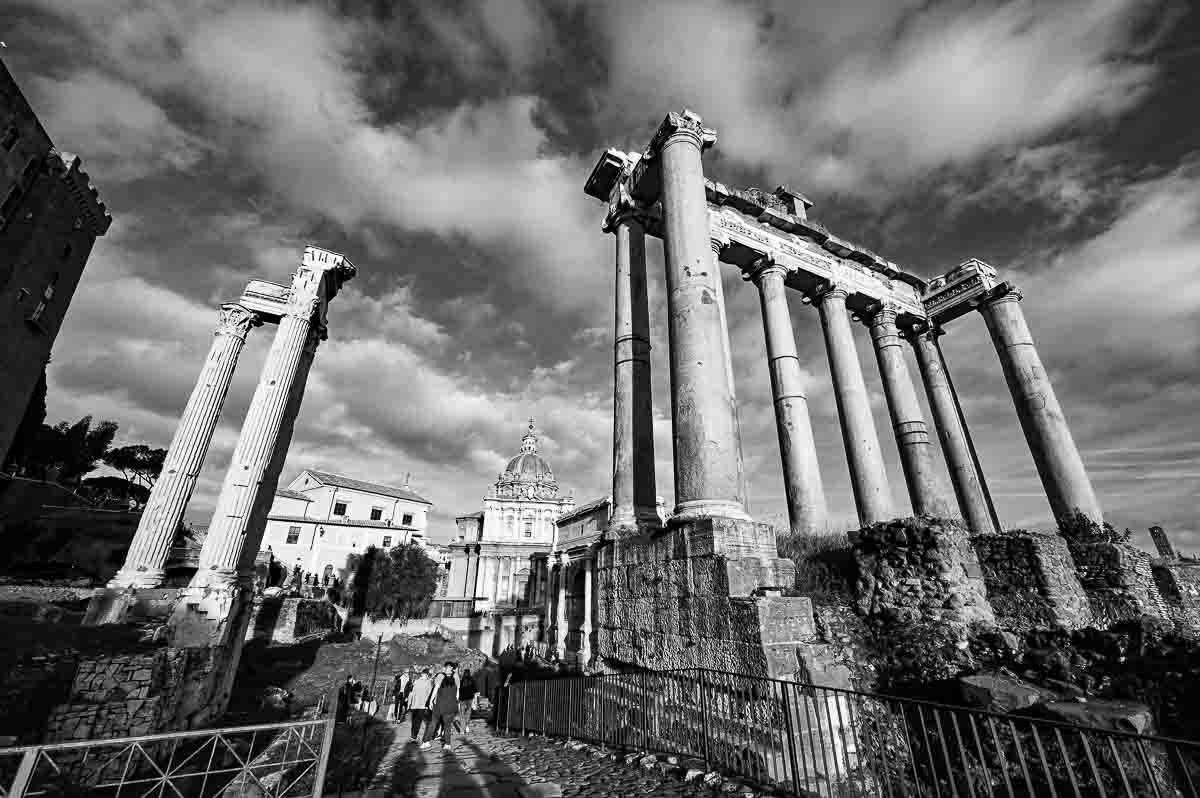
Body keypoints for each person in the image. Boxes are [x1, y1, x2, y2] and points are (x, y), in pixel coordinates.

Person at [420, 662, 460, 751]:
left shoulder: (440, 676)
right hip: (450, 705)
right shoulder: (456, 677)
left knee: (433, 723)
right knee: (447, 725)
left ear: (445, 668)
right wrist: (456, 704)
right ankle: (447, 744)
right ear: (453, 669)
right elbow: (457, 693)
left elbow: (435, 689)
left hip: (439, 705)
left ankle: (425, 742)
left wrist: (431, 700)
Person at [407, 667, 434, 742]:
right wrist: (410, 703)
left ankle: (413, 736)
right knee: (415, 721)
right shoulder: (419, 682)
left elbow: (429, 694)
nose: (425, 675)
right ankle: (413, 735)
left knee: (417, 721)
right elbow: (413, 693)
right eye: (424, 674)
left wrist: (428, 704)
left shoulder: (427, 682)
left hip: (420, 705)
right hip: (417, 705)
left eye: (426, 674)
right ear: (423, 674)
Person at [455, 668, 477, 736]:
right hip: (470, 699)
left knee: (462, 715)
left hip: (462, 700)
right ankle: (467, 726)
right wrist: (475, 701)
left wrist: (457, 699)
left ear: (464, 674)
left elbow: (458, 690)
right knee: (468, 714)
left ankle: (462, 730)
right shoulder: (472, 681)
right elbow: (475, 691)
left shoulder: (461, 681)